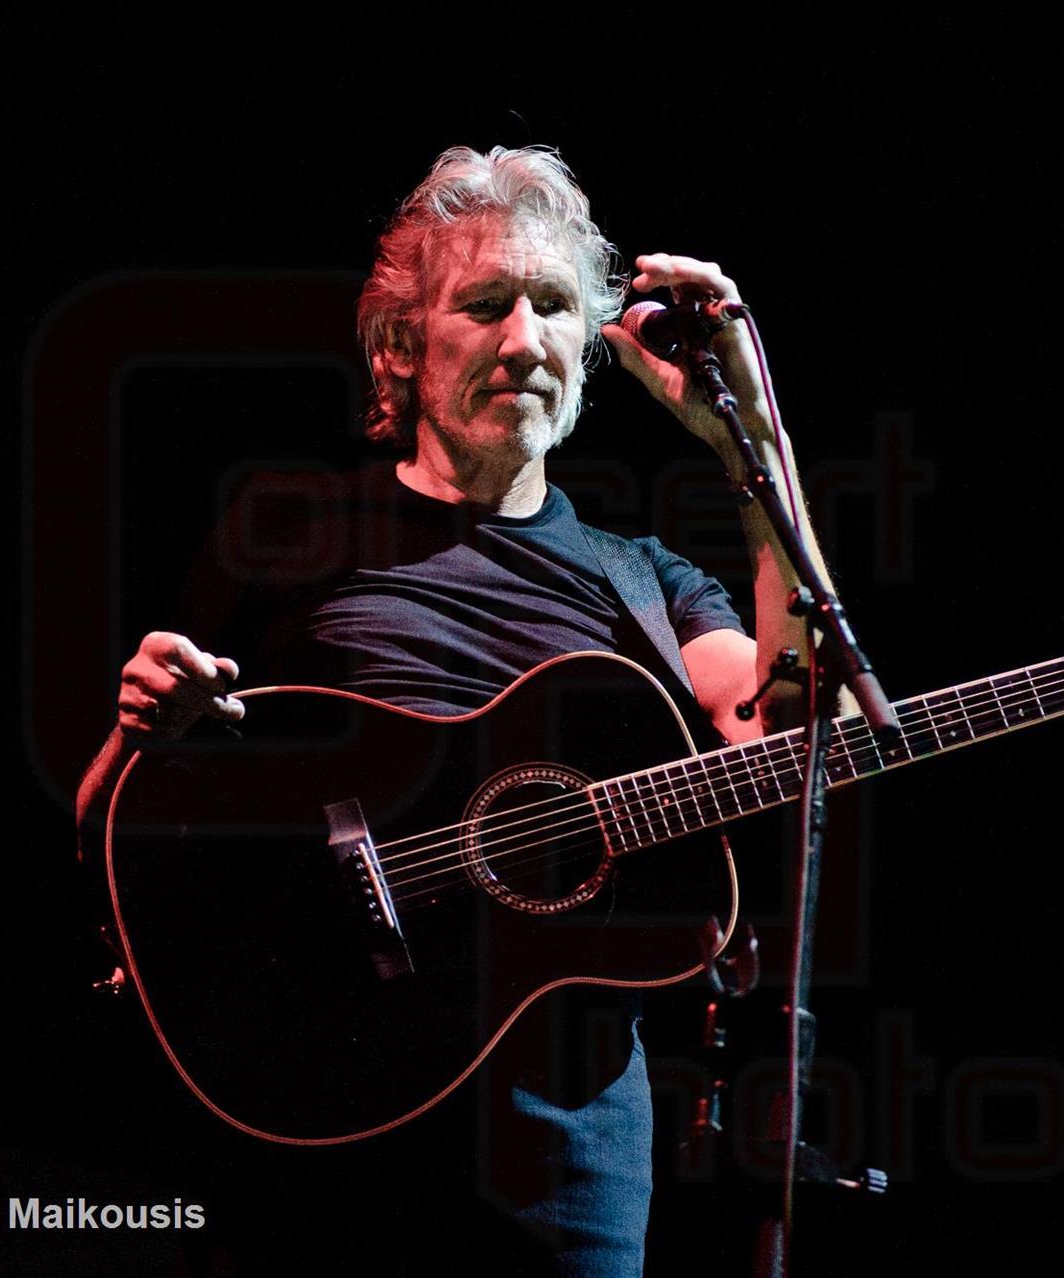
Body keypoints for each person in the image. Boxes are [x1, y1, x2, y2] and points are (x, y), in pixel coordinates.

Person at [74, 145, 845, 1276]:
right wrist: (145, 734)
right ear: (400, 344)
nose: (526, 342)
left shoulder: (650, 585)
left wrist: (754, 444)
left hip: (565, 1151)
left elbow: (783, 732)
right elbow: (112, 827)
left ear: (591, 349)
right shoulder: (285, 542)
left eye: (554, 310)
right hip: (315, 1101)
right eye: (487, 306)